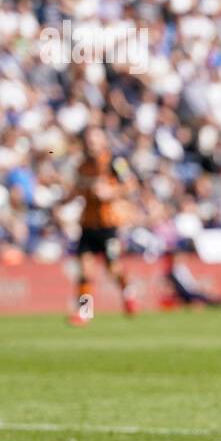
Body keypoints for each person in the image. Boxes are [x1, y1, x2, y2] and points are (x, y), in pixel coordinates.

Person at [66, 127, 138, 324]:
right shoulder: (82, 166)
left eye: (95, 140)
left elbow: (131, 184)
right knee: (85, 269)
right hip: (88, 224)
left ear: (103, 141)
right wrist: (62, 202)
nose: (92, 144)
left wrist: (111, 192)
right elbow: (76, 190)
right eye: (89, 140)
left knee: (112, 268)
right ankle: (85, 312)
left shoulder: (116, 162)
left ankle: (126, 290)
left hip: (108, 225)